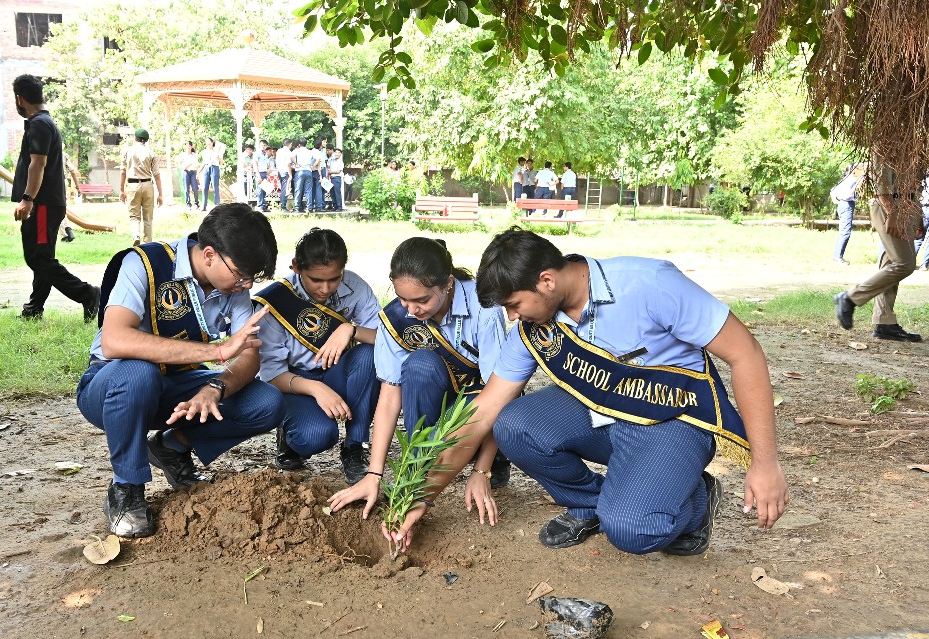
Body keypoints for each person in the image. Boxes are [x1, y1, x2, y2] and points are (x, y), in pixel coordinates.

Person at [386, 228, 789, 556]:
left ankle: (695, 499)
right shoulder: (534, 326)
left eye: (514, 304)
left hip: (672, 417)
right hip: (601, 413)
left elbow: (746, 355)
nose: (511, 316)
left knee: (632, 530)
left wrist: (765, 463)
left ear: (546, 281)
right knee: (513, 424)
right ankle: (592, 503)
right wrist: (422, 497)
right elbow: (483, 413)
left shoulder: (649, 283)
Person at [76, 204, 285, 537]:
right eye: (241, 275)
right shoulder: (145, 264)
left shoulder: (233, 287)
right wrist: (217, 352)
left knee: (267, 400)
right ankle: (126, 489)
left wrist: (214, 388)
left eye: (252, 278)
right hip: (112, 386)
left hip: (175, 385)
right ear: (209, 255)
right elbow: (115, 341)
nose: (246, 285)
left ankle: (171, 446)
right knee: (139, 374)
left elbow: (249, 356)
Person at [328, 237, 512, 520]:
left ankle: (490, 452)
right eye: (403, 299)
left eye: (422, 300)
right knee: (420, 364)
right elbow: (390, 395)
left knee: (485, 413)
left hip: (481, 401)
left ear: (448, 283)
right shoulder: (396, 318)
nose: (411, 310)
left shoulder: (484, 308)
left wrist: (481, 470)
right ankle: (419, 465)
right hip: (439, 396)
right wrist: (374, 474)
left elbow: (500, 394)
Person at [253, 228, 381, 484]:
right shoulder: (274, 301)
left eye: (334, 279)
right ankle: (289, 437)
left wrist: (351, 329)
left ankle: (355, 446)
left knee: (369, 355)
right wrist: (316, 389)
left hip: (338, 371)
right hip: (294, 381)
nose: (325, 289)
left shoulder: (355, 286)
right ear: (296, 266)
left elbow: (388, 339)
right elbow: (271, 374)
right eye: (315, 280)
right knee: (315, 437)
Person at [10, 74, 100, 322]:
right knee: (43, 257)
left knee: (38, 257)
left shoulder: (39, 124)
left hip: (42, 206)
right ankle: (33, 309)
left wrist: (28, 199)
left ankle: (87, 294)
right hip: (46, 205)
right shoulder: (42, 122)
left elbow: (37, 164)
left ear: (19, 98)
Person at [835, 160, 923, 342]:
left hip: (907, 204)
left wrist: (917, 215)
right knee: (904, 264)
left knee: (890, 264)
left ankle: (884, 323)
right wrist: (892, 213)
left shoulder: (909, 145)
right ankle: (850, 298)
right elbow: (881, 182)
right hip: (890, 206)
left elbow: (914, 181)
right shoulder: (885, 145)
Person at [120, 128, 163, 247]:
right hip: (148, 184)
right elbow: (157, 175)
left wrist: (121, 190)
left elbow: (123, 172)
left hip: (133, 185)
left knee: (134, 215)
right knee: (148, 217)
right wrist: (160, 194)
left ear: (135, 138)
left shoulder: (128, 151)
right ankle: (147, 243)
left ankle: (136, 235)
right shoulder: (151, 153)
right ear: (146, 140)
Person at [830, 162, 868, 264]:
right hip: (846, 204)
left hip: (844, 204)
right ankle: (837, 257)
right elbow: (847, 194)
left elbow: (833, 191)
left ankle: (837, 256)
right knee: (845, 232)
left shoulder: (845, 180)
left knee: (843, 231)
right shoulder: (850, 180)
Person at [60, 151, 80, 242]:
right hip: (63, 181)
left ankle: (65, 233)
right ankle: (67, 230)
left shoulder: (46, 152)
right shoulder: (63, 154)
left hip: (51, 183)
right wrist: (77, 187)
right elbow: (72, 171)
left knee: (54, 209)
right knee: (61, 207)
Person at [292, 138, 315, 213]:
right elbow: (315, 158)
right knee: (308, 190)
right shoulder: (310, 151)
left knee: (298, 190)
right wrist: (312, 165)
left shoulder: (296, 151)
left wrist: (296, 164)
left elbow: (291, 157)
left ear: (299, 144)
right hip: (308, 171)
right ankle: (309, 208)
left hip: (300, 171)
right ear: (306, 144)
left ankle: (297, 208)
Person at [201, 137, 222, 211]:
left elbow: (222, 161)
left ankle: (217, 205)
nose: (208, 143)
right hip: (207, 168)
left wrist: (218, 157)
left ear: (212, 143)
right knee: (205, 187)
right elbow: (203, 162)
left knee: (215, 187)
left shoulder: (217, 151)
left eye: (209, 142)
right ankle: (204, 205)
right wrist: (199, 171)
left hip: (214, 167)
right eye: (206, 142)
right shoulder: (204, 152)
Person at [181, 142, 201, 210]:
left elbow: (197, 165)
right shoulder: (183, 155)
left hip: (193, 172)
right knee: (186, 189)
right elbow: (183, 167)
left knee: (195, 189)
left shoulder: (194, 155)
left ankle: (196, 203)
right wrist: (190, 163)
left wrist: (197, 174)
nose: (188, 147)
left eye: (189, 146)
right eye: (187, 146)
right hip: (186, 172)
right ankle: (188, 203)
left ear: (192, 147)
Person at [275, 138, 293, 211]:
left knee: (283, 188)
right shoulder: (288, 152)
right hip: (285, 172)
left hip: (280, 171)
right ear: (289, 144)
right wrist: (290, 175)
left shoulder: (279, 151)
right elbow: (288, 164)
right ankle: (283, 206)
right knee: (285, 189)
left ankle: (282, 205)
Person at [311, 137, 327, 213]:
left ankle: (312, 206)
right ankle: (319, 206)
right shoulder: (318, 152)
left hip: (311, 172)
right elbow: (318, 164)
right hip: (317, 171)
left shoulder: (311, 151)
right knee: (319, 189)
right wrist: (320, 175)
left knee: (312, 189)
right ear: (320, 145)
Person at [326, 147, 345, 212]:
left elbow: (338, 171)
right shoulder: (331, 160)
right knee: (332, 193)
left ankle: (339, 207)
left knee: (337, 193)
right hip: (331, 178)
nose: (337, 154)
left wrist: (330, 172)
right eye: (336, 152)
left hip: (337, 178)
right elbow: (328, 167)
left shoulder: (340, 162)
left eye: (338, 153)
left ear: (340, 154)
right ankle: (335, 206)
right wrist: (329, 177)